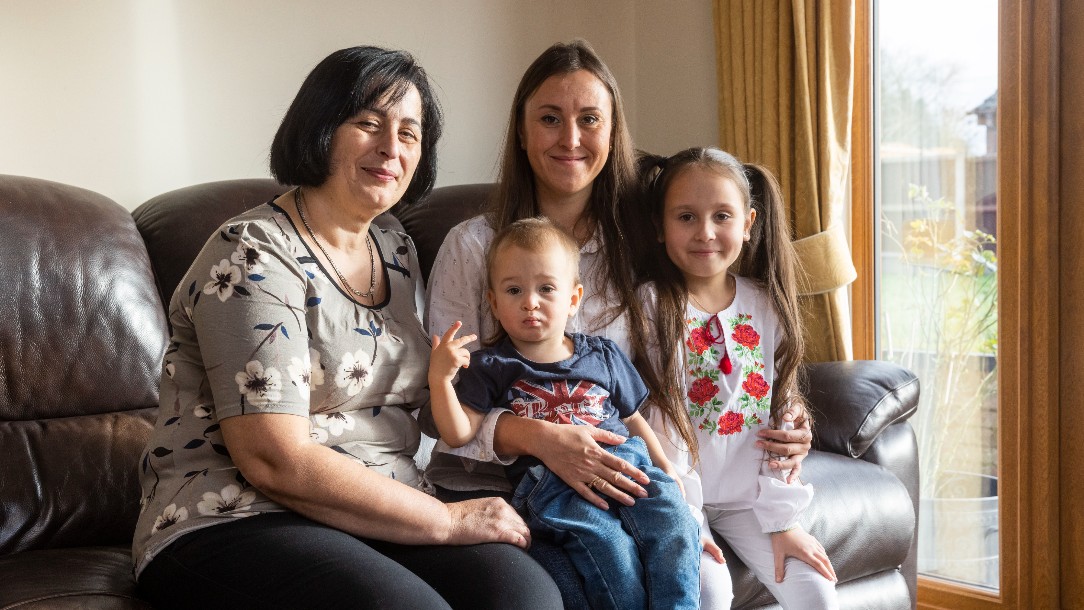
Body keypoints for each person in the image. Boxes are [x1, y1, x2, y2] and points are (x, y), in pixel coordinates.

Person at [131, 46, 562, 610]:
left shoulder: (396, 248)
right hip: (237, 514)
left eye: (410, 133)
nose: (391, 147)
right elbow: (273, 460)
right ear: (320, 129)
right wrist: (442, 520)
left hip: (383, 506)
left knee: (523, 595)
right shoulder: (252, 254)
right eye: (368, 123)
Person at [422, 38, 814, 606]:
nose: (570, 139)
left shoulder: (647, 241)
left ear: (612, 130)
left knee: (695, 577)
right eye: (550, 119)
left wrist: (788, 407)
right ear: (522, 128)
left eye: (589, 120)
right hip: (505, 483)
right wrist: (543, 439)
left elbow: (732, 323)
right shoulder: (472, 245)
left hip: (631, 468)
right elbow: (446, 406)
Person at [429, 217, 700, 609]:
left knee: (675, 524)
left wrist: (666, 468)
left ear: (573, 299)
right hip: (551, 486)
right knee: (610, 550)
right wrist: (440, 380)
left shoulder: (603, 355)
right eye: (514, 290)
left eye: (546, 289)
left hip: (628, 465)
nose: (530, 302)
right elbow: (458, 433)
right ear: (493, 302)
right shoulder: (492, 366)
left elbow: (633, 420)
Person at [638, 147, 838, 609]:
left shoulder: (767, 305)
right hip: (675, 495)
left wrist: (783, 522)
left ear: (748, 225)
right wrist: (683, 519)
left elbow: (781, 417)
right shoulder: (645, 307)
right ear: (659, 228)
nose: (705, 232)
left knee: (818, 593)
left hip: (751, 497)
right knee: (709, 591)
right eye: (686, 216)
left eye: (721, 216)